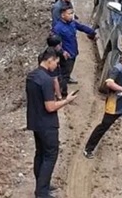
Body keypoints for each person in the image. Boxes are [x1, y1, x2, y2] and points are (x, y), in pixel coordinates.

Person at [26, 48, 78, 198]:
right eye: (56, 62)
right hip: (47, 124)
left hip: (35, 121)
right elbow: (50, 107)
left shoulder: (31, 76)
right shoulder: (46, 80)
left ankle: (42, 184)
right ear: (50, 60)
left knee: (40, 153)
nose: (56, 66)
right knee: (50, 156)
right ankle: (42, 192)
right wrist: (66, 101)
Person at [50, 6, 97, 97]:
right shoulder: (58, 28)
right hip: (66, 56)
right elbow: (54, 43)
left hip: (73, 53)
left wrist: (93, 32)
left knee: (67, 72)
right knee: (64, 75)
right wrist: (63, 52)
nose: (71, 15)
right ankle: (62, 93)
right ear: (63, 15)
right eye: (69, 14)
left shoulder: (72, 23)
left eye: (72, 13)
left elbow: (82, 27)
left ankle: (62, 87)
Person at [46, 35, 64, 100]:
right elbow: (55, 80)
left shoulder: (46, 53)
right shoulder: (52, 60)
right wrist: (59, 96)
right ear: (57, 45)